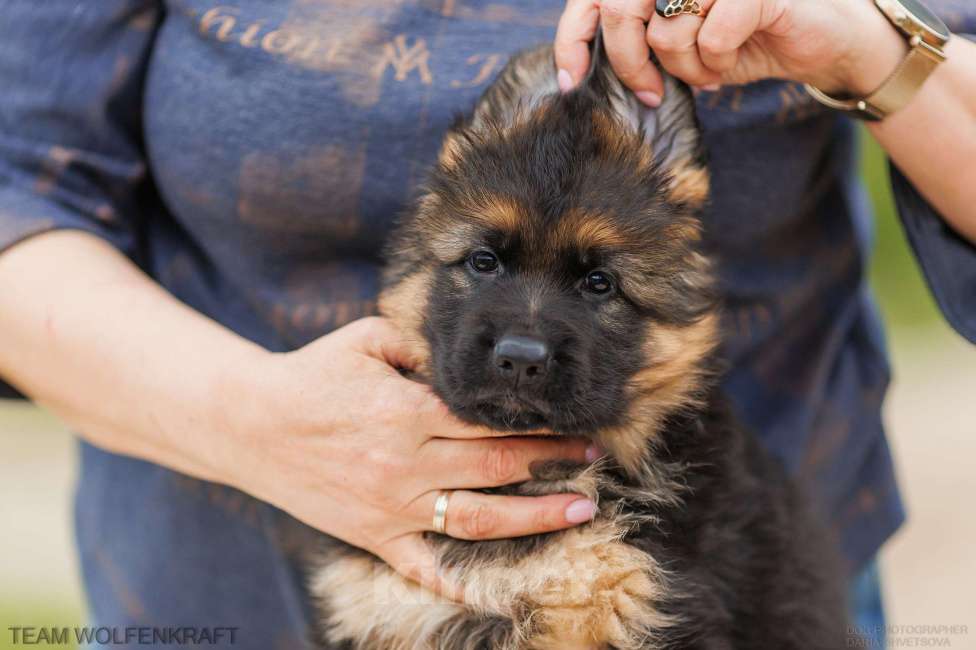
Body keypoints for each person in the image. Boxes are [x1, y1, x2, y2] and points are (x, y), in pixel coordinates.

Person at [0, 1, 972, 648]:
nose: (522, 337)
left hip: (746, 522)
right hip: (206, 586)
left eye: (596, 282)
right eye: (481, 263)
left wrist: (872, 42)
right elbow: (17, 181)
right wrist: (250, 418)